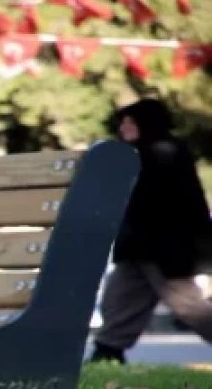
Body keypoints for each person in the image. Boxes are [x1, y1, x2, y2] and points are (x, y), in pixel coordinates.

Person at [90, 98, 212, 364]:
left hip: (165, 249)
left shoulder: (164, 152)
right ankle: (108, 352)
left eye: (130, 122)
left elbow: (166, 205)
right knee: (119, 299)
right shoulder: (137, 155)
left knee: (188, 306)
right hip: (138, 248)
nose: (124, 127)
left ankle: (108, 351)